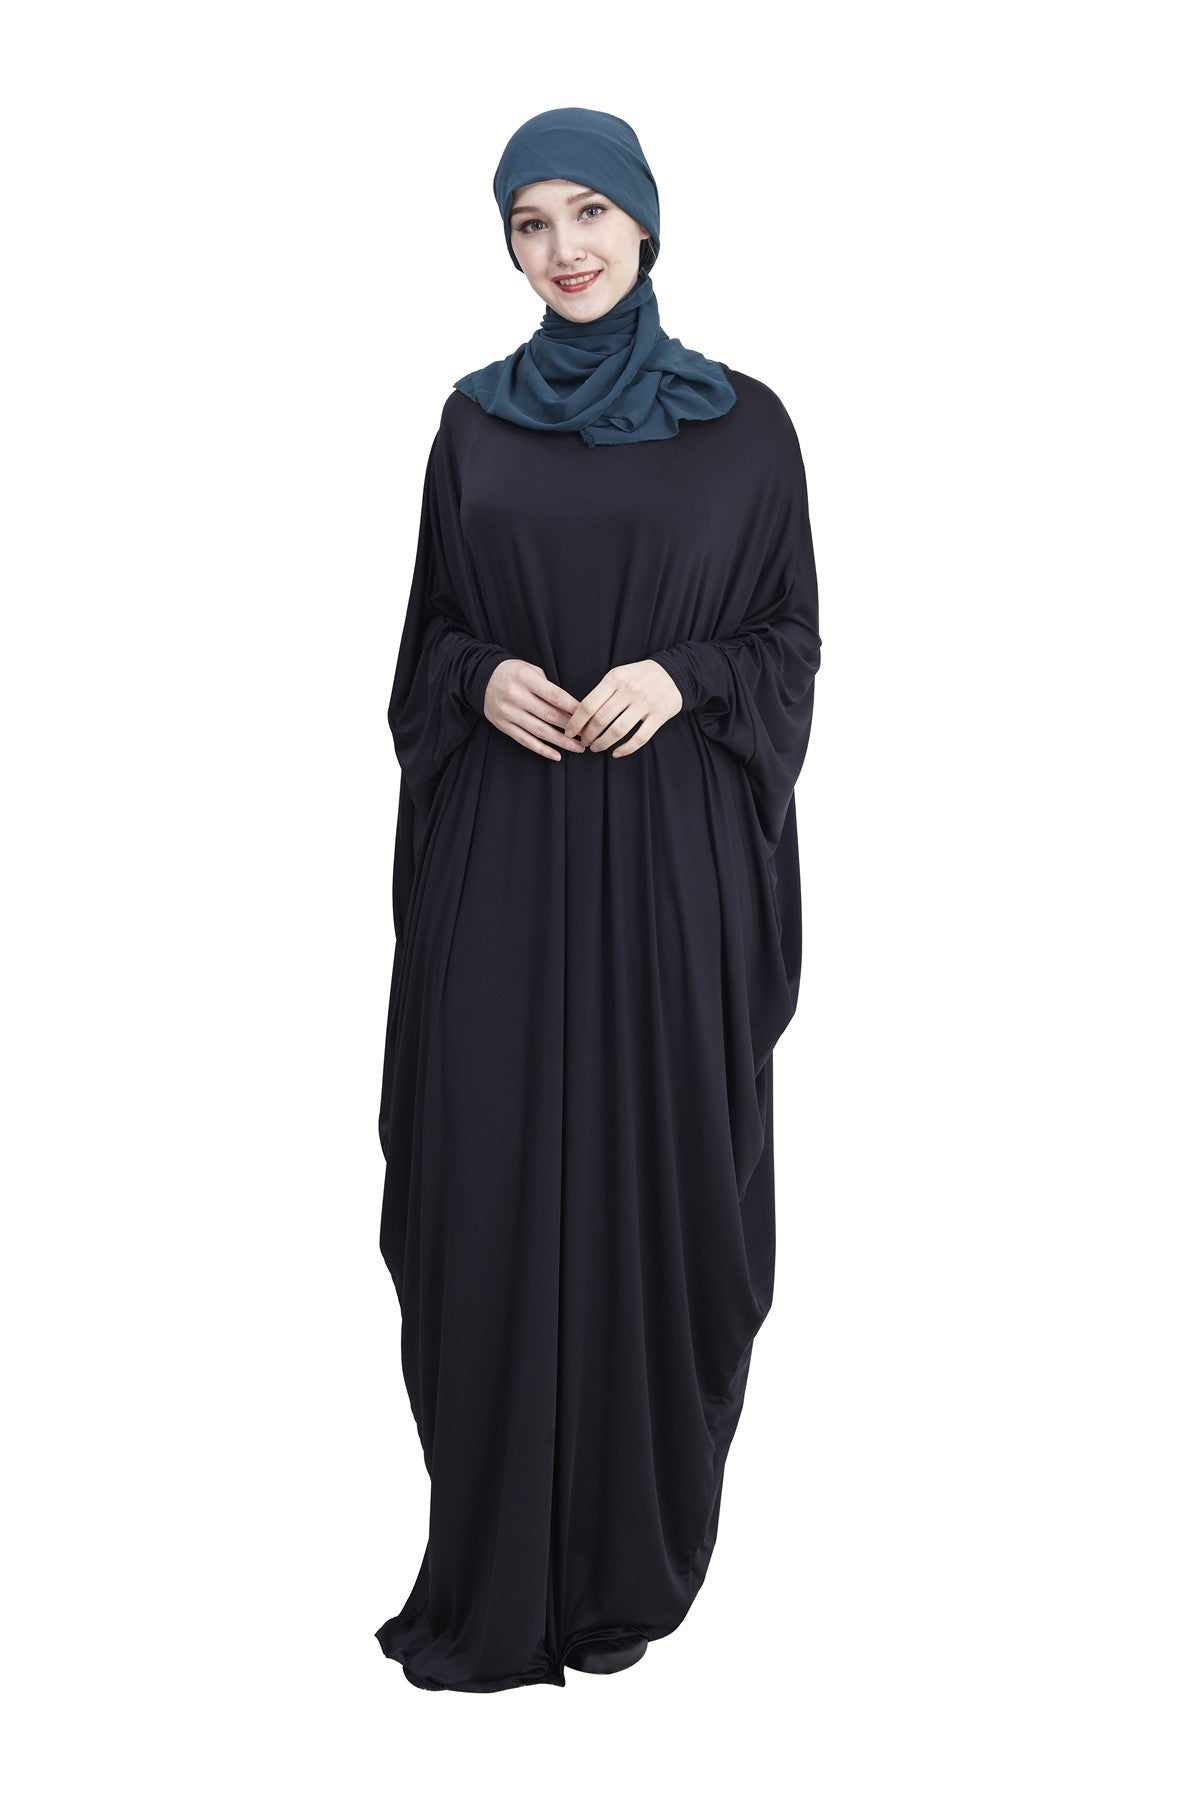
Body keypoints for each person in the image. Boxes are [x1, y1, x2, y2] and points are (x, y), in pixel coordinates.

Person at [374, 106, 822, 1693]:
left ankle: (627, 1555)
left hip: (666, 875)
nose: (560, 249)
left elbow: (790, 642)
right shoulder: (473, 427)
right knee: (480, 1178)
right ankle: (499, 1554)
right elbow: (426, 644)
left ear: (643, 221)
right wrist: (480, 675)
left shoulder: (746, 429)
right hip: (503, 867)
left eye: (586, 213)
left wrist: (683, 675)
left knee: (664, 1171)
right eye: (527, 222)